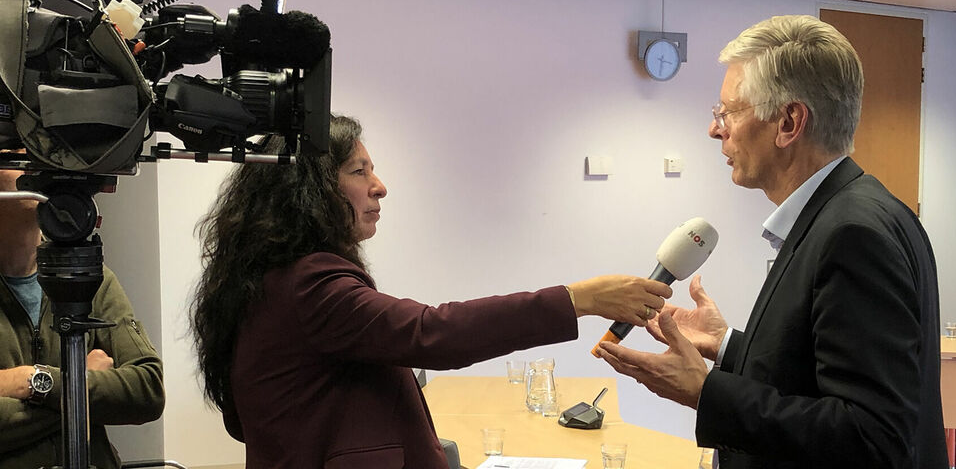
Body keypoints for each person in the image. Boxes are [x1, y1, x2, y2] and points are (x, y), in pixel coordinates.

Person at [191, 116, 674, 468]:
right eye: (359, 172)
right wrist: (577, 298)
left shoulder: (273, 274)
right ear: (308, 189)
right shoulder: (310, 284)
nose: (380, 186)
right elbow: (431, 332)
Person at [595, 15, 946, 468]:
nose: (715, 129)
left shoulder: (853, 234)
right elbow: (813, 375)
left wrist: (705, 392)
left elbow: (870, 437)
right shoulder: (849, 212)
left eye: (728, 112)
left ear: (788, 122)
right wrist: (726, 344)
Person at [0, 157, 165, 469]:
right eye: (14, 154)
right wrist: (83, 389)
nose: (31, 165)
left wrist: (33, 381)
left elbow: (148, 390)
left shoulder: (91, 276)